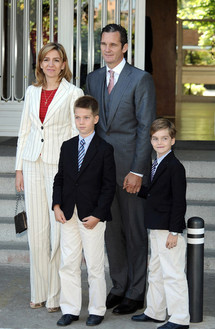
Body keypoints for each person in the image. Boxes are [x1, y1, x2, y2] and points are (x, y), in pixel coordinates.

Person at [85, 23, 156, 314]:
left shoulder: (141, 79)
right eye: (104, 44)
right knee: (111, 232)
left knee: (135, 231)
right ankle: (119, 285)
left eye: (113, 44)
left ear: (124, 47)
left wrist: (138, 171)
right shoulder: (93, 78)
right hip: (102, 171)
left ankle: (137, 291)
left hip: (130, 169)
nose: (108, 49)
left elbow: (145, 127)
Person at [15, 42, 84, 312]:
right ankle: (39, 291)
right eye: (46, 60)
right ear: (40, 64)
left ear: (64, 64)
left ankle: (56, 296)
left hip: (59, 167)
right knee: (37, 233)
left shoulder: (73, 92)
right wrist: (19, 168)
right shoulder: (32, 92)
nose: (51, 64)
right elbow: (24, 132)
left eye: (56, 60)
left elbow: (77, 133)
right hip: (32, 162)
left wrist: (73, 171)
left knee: (59, 232)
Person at [52, 95, 116, 327]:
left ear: (95, 119)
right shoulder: (67, 146)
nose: (81, 122)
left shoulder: (104, 149)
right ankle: (70, 309)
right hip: (68, 213)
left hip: (92, 216)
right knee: (68, 262)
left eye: (86, 118)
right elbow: (59, 178)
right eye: (77, 117)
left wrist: (98, 214)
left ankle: (97, 310)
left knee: (95, 265)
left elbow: (109, 186)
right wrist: (57, 205)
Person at [132, 118, 190, 329]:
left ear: (172, 140)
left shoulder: (175, 167)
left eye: (164, 138)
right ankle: (155, 311)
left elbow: (178, 202)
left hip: (168, 229)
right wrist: (139, 190)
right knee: (155, 270)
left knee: (172, 273)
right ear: (151, 141)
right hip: (155, 227)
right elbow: (157, 194)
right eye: (155, 139)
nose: (159, 142)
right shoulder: (154, 163)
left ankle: (180, 317)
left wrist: (174, 231)